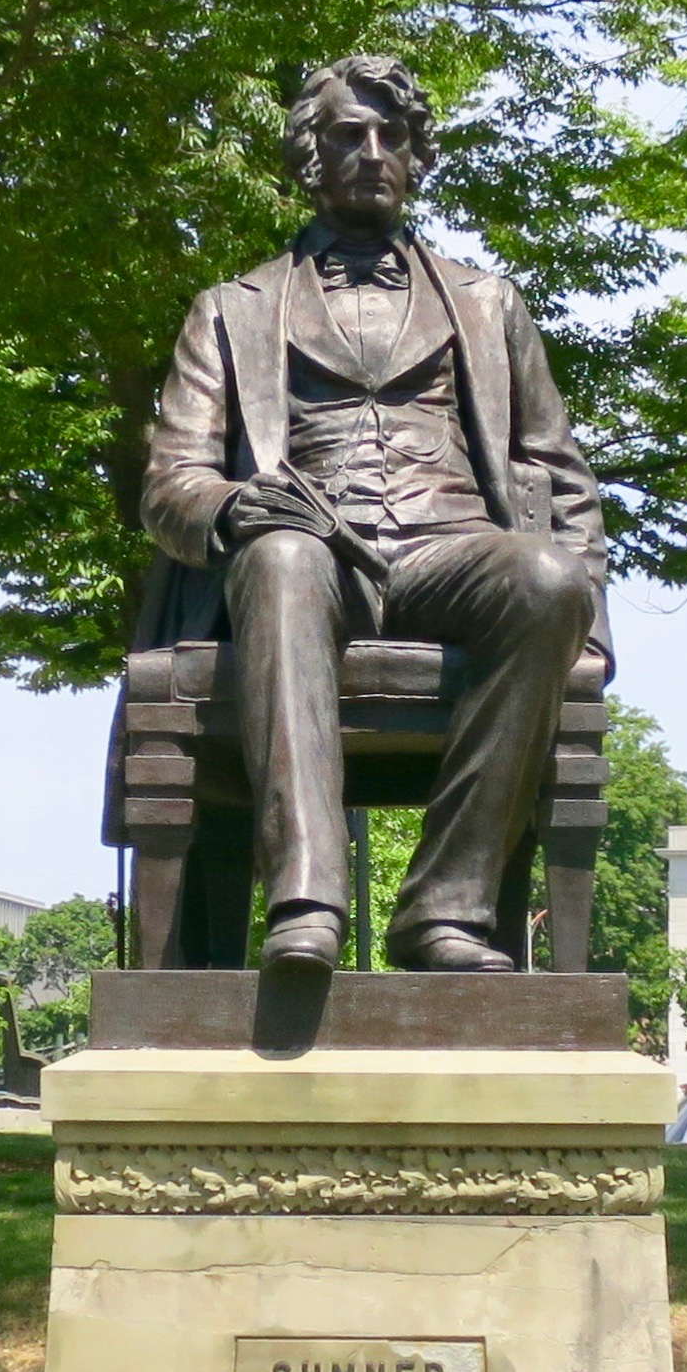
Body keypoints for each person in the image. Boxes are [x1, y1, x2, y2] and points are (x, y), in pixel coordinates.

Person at [140, 55, 607, 972]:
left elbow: (559, 470)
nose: (373, 151)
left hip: (454, 551)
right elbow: (171, 482)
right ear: (310, 159)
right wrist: (238, 505)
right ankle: (305, 901)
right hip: (314, 559)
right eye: (348, 135)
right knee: (277, 559)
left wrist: (587, 613)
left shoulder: (487, 302)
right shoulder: (231, 311)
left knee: (547, 579)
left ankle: (444, 910)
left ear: (417, 156)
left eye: (391, 135)